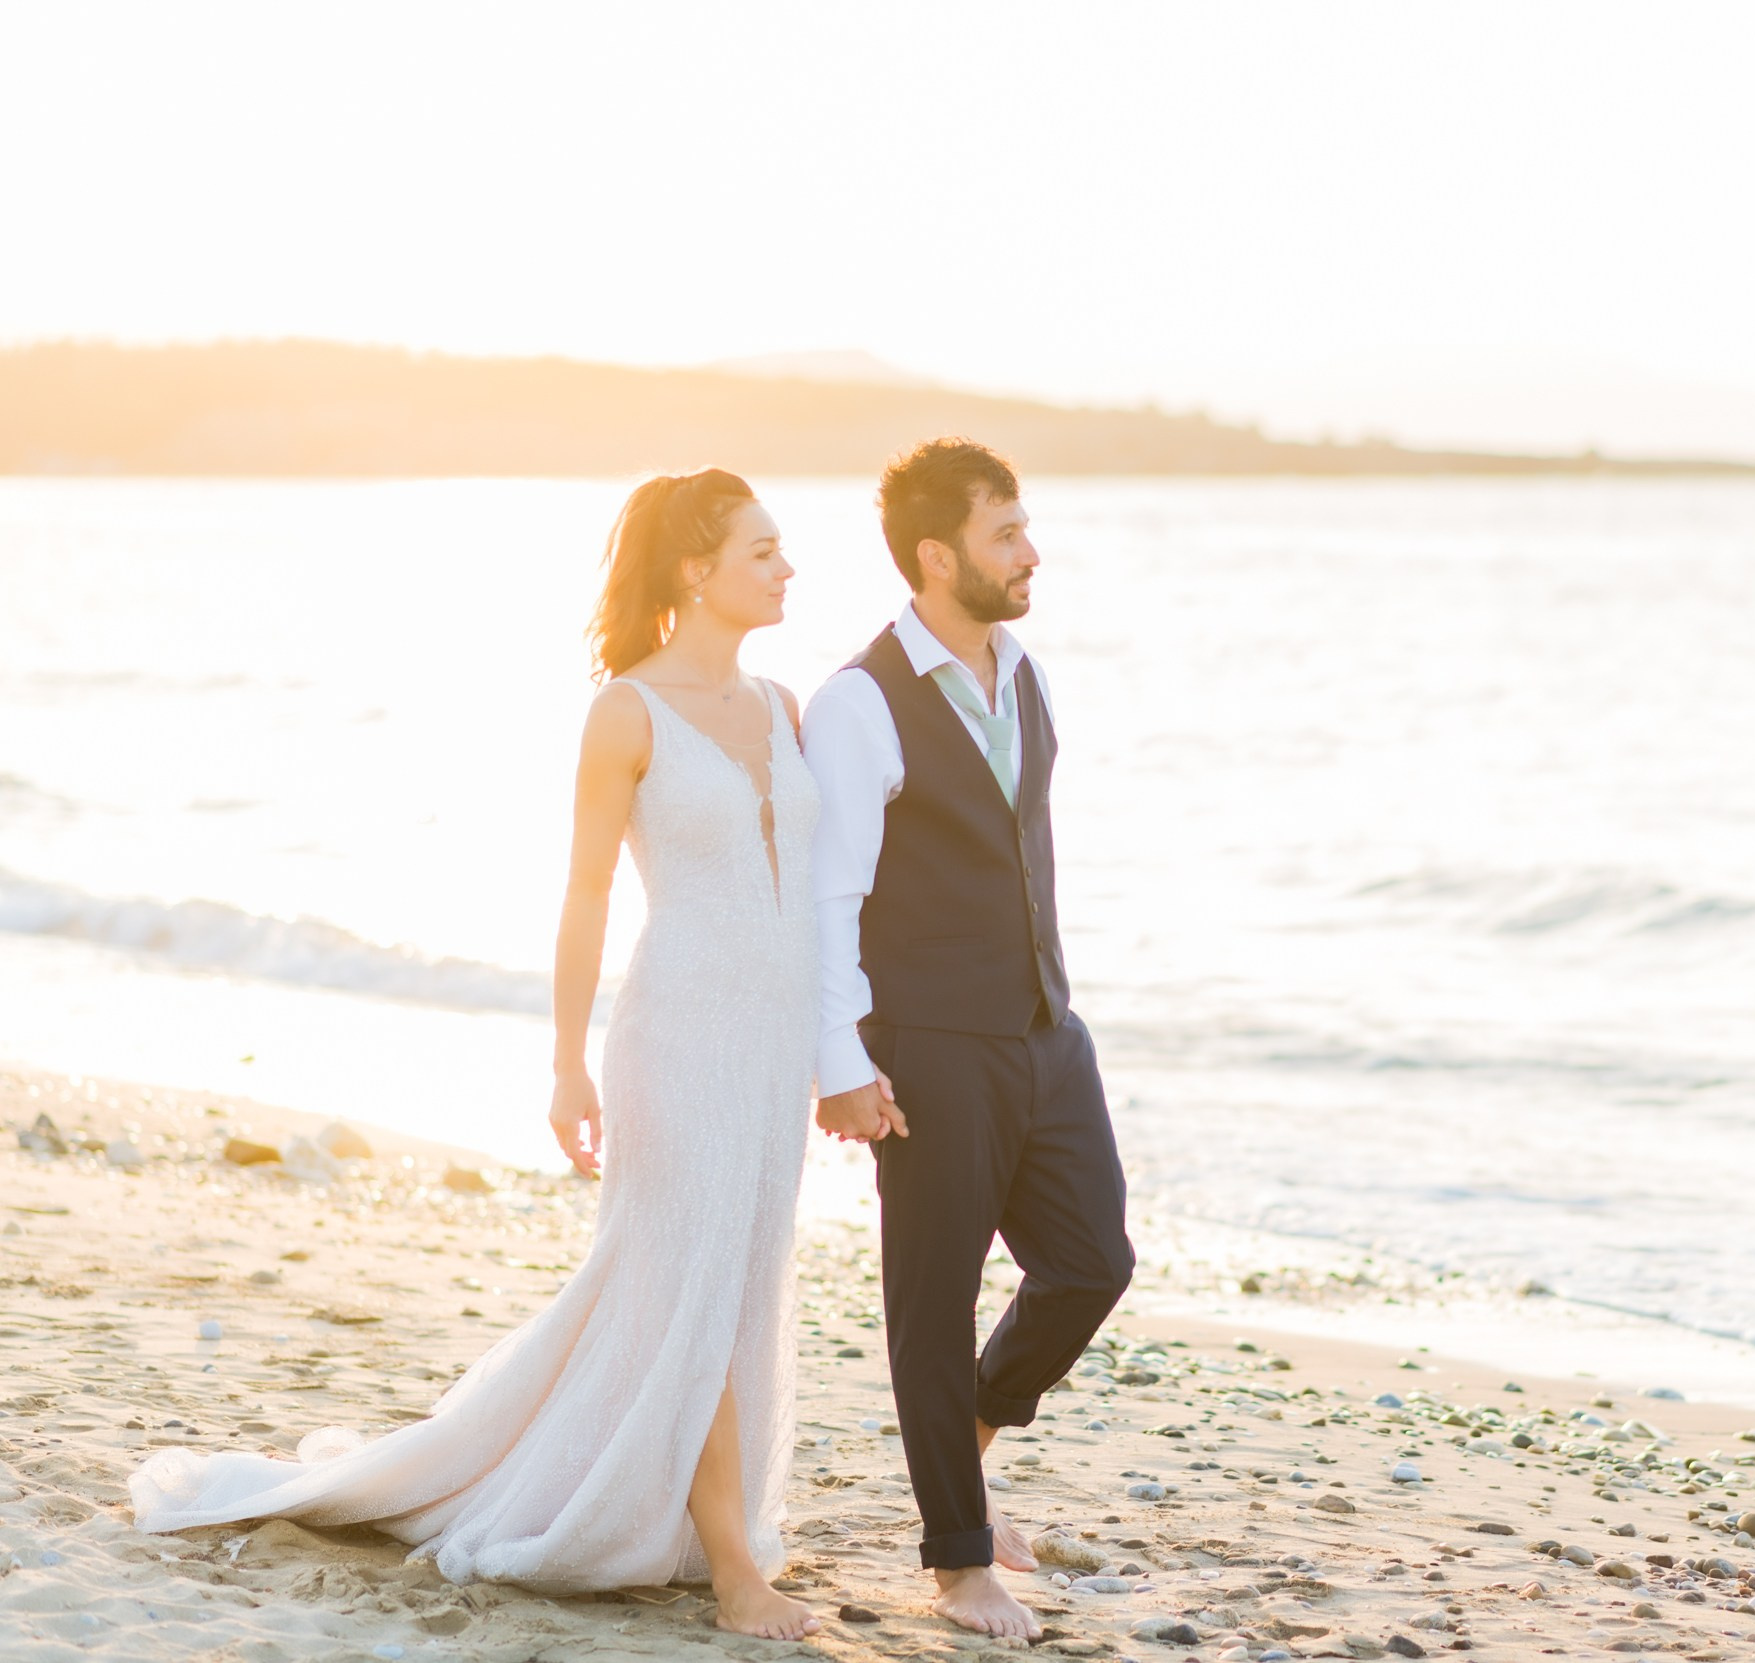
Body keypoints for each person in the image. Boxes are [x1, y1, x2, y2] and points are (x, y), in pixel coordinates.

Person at [128, 469, 824, 1641]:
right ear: (695, 569)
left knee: (741, 1283)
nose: (786, 567)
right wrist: (566, 1063)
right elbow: (586, 894)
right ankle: (732, 1568)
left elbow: (821, 888)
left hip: (773, 1050)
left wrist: (850, 1044)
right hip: (679, 1037)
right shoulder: (627, 711)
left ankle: (681, 1515)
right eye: (762, 549)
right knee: (692, 1288)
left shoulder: (786, 705)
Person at [801, 438, 1134, 1641]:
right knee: (931, 1304)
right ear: (937, 557)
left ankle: (971, 1439)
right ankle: (957, 1561)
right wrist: (841, 1062)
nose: (1030, 550)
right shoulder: (858, 701)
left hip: (1044, 1026)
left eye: (1025, 526)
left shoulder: (1021, 669)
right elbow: (829, 896)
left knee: (1092, 1262)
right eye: (1006, 534)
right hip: (931, 1042)